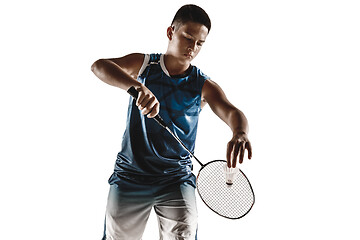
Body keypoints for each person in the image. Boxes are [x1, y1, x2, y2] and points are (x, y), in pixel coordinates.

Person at [91, 4, 252, 240]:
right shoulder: (144, 65)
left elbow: (231, 111)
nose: (192, 48)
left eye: (199, 43)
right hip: (131, 176)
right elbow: (99, 66)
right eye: (188, 37)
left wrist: (240, 132)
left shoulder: (203, 85)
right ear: (170, 32)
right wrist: (137, 87)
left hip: (176, 179)